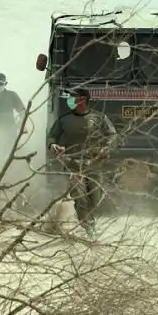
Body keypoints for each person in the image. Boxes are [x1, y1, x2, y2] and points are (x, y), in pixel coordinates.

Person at [47, 88, 117, 238]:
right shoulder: (64, 120)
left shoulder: (99, 118)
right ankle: (89, 228)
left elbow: (112, 135)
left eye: (73, 97)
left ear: (83, 100)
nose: (69, 100)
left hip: (94, 164)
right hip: (72, 164)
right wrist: (53, 145)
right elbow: (52, 137)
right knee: (80, 197)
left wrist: (106, 147)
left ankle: (89, 223)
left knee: (95, 198)